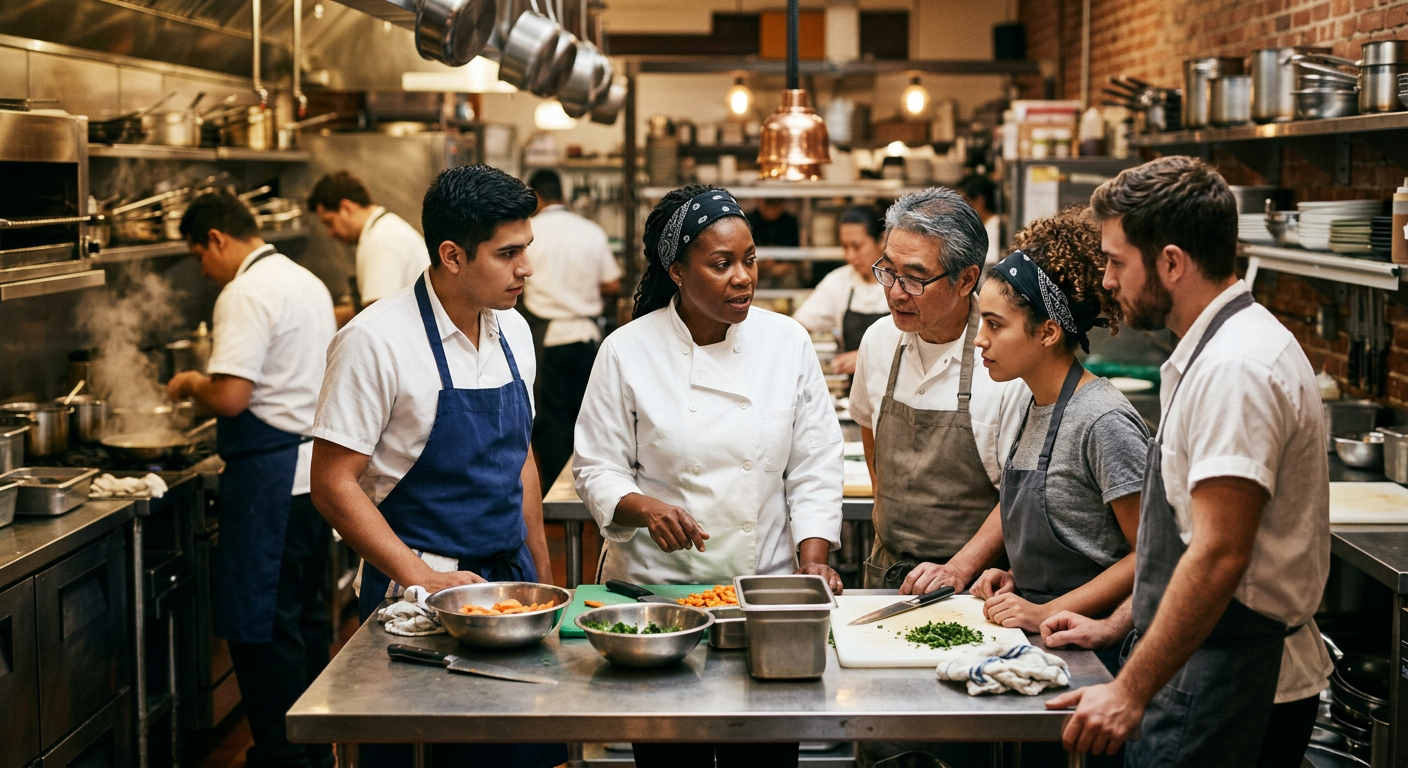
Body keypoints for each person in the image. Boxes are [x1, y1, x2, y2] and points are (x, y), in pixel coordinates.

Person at [1040, 156, 1331, 768]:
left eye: (1117, 262)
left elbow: (1220, 554)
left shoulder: (1236, 370)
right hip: (1195, 664)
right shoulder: (1216, 350)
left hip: (1232, 683)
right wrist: (1118, 623)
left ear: (1171, 262)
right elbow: (1182, 542)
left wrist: (1128, 690)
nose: (1107, 281)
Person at [573, 185, 844, 768]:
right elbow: (595, 466)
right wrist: (646, 508)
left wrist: (813, 559)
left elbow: (815, 461)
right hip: (662, 598)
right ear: (676, 270)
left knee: (763, 762)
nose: (743, 277)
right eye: (721, 264)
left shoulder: (787, 342)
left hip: (763, 597)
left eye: (750, 259)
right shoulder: (627, 351)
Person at [309, 165, 563, 768]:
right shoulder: (375, 341)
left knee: (516, 755)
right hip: (418, 601)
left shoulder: (515, 331)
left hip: (508, 588)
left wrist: (544, 575)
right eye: (508, 254)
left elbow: (521, 457)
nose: (526, 269)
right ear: (452, 255)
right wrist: (422, 576)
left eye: (526, 249)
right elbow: (332, 483)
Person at [168, 191, 337, 768]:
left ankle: (283, 757)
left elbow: (231, 397)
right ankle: (314, 749)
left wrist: (191, 383)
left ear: (216, 239)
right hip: (313, 478)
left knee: (262, 629)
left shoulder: (243, 292)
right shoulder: (305, 280)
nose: (202, 270)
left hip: (270, 482)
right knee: (305, 622)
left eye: (198, 256)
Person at [946, 208, 1146, 672]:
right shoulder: (1036, 404)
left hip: (1094, 651)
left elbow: (1150, 554)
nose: (979, 340)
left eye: (995, 324)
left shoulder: (1102, 420)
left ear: (1049, 332)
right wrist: (1019, 579)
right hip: (1041, 644)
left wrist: (1046, 610)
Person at [849, 187, 1028, 593]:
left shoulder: (1004, 360)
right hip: (888, 574)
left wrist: (959, 568)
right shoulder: (878, 340)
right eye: (888, 271)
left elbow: (1020, 493)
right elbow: (869, 426)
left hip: (975, 588)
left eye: (915, 278)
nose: (896, 292)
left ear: (966, 280)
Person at [522, 168, 622, 487]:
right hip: (586, 339)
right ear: (562, 194)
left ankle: (557, 494)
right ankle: (588, 489)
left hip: (547, 340)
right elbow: (613, 282)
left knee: (552, 425)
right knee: (588, 421)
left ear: (535, 197)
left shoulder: (527, 232)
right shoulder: (591, 231)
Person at [307, 171, 427, 327]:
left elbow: (378, 317)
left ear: (346, 207)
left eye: (330, 222)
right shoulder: (384, 228)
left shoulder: (379, 240)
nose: (330, 232)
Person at [790, 205, 889, 375]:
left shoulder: (901, 283)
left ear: (882, 241)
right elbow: (797, 327)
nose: (849, 256)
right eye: (845, 247)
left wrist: (867, 358)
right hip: (856, 387)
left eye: (856, 247)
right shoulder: (839, 281)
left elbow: (917, 347)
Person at [958, 173, 1001, 273]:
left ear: (979, 201)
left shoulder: (996, 228)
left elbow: (989, 265)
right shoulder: (977, 228)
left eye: (964, 201)